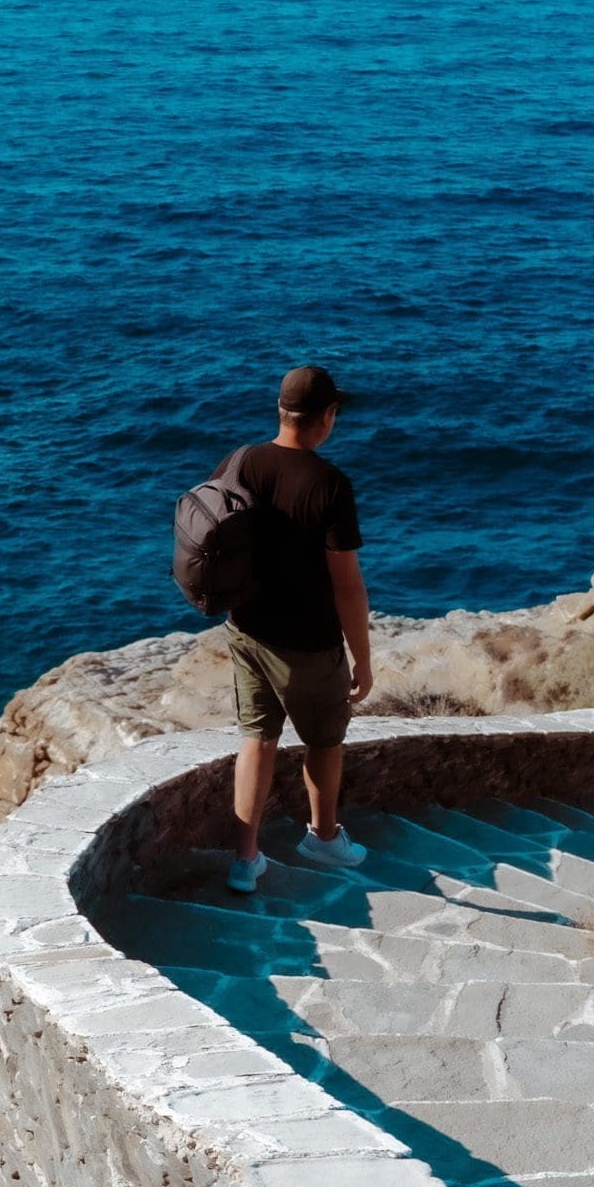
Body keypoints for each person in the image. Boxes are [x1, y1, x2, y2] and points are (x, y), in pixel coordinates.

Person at [218, 364, 373, 894]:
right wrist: (364, 659)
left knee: (256, 738)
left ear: (282, 412)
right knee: (325, 741)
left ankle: (245, 860)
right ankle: (323, 838)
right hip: (308, 640)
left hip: (246, 629)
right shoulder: (330, 485)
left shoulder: (240, 461)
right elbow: (347, 586)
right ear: (327, 417)